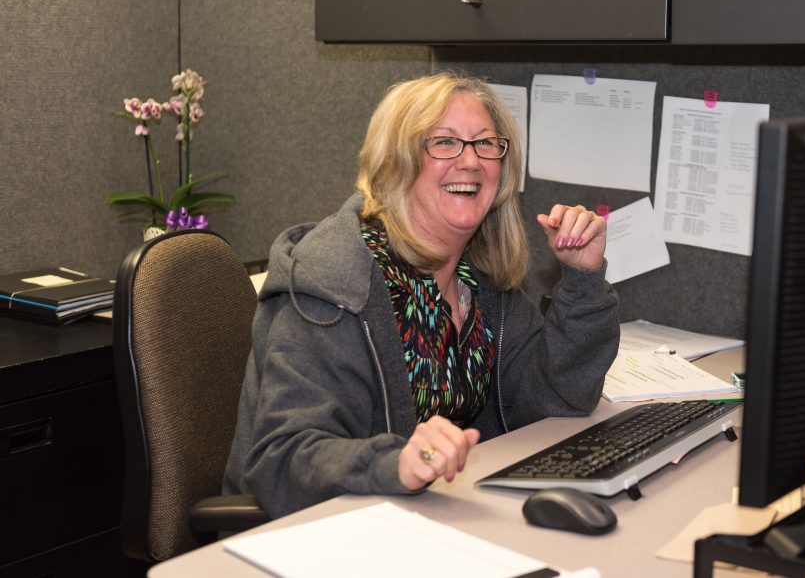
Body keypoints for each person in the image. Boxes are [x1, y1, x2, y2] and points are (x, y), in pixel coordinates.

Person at [223, 72, 619, 517]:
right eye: (444, 142)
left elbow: (556, 398)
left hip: (438, 514)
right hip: (327, 536)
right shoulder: (335, 282)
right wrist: (396, 463)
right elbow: (284, 459)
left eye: (486, 143)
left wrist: (583, 279)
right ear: (394, 162)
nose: (471, 162)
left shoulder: (478, 279)